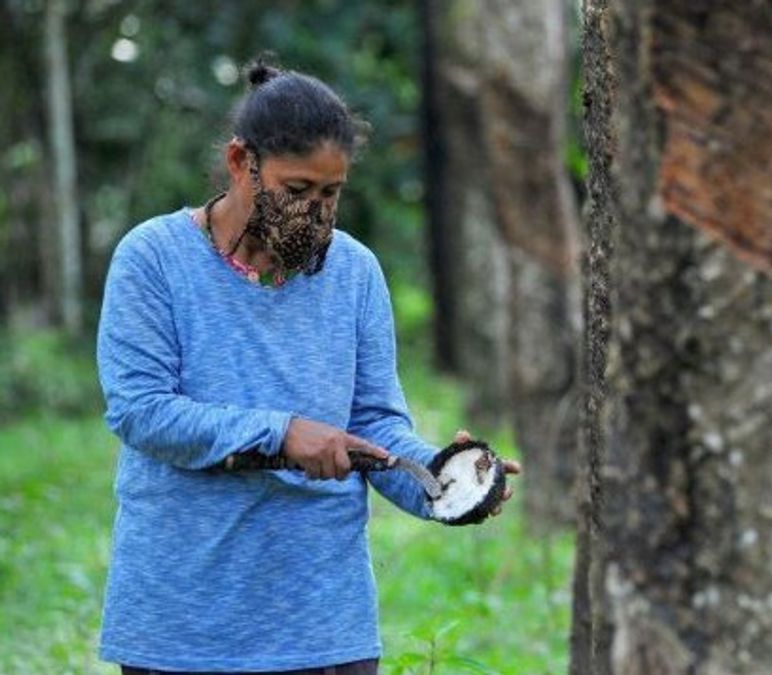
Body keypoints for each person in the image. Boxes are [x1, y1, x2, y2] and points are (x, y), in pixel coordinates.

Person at [95, 55, 519, 675]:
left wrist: (440, 481)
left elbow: (373, 422)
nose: (316, 212)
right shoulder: (153, 259)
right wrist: (284, 433)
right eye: (297, 191)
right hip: (182, 621)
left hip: (323, 624)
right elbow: (141, 410)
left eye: (331, 193)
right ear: (243, 163)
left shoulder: (354, 272)